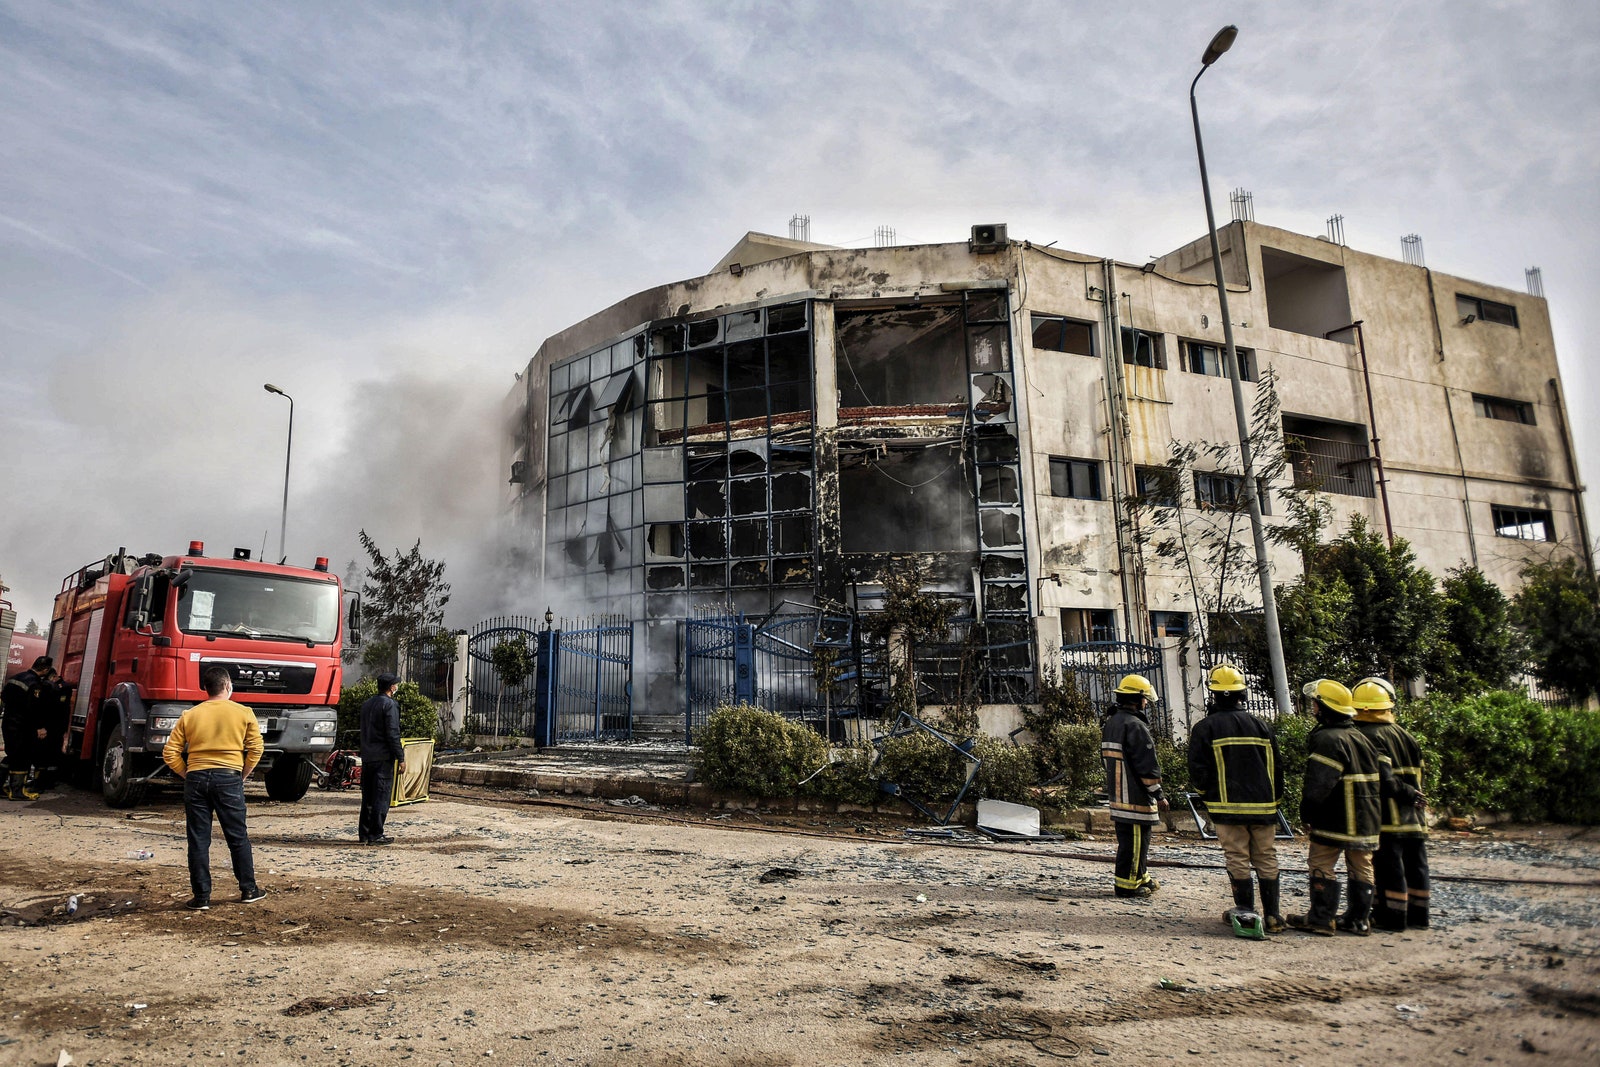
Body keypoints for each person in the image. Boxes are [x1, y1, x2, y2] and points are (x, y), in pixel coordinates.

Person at [1187, 663, 1285, 933]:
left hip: (1227, 808)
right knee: (1266, 856)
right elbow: (1277, 767)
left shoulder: (1205, 728)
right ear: (1243, 693)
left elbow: (1198, 770)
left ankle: (1246, 912)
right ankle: (1274, 916)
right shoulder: (1261, 726)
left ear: (1213, 695)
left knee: (1237, 857)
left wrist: (1209, 797)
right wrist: (1275, 801)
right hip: (1264, 807)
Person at [162, 665, 267, 910]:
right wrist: (243, 774)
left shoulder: (190, 715)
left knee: (198, 839)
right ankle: (249, 889)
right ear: (228, 686)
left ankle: (201, 897)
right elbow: (256, 749)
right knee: (237, 837)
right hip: (229, 778)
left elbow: (170, 752)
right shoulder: (244, 712)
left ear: (205, 689)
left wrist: (187, 772)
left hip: (196, 779)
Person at [1287, 679, 1386, 936]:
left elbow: (1318, 784)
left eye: (1315, 703)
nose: (1313, 707)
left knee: (1321, 862)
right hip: (1367, 818)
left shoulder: (1328, 740)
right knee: (1361, 865)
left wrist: (1307, 813)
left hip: (1336, 817)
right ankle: (1358, 920)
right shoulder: (1361, 738)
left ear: (1324, 707)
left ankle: (1321, 918)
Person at [1351, 677, 1430, 931]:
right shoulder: (1406, 735)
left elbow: (1385, 780)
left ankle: (1393, 918)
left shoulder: (1370, 736)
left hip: (1388, 818)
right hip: (1414, 818)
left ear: (1361, 709)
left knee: (1389, 869)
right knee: (1417, 867)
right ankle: (1419, 916)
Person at [1100, 674, 1168, 898]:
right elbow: (1146, 764)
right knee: (1136, 842)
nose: (1146, 703)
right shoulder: (1135, 726)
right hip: (1135, 797)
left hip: (1118, 794)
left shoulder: (1113, 723)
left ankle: (1141, 875)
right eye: (1144, 699)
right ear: (1136, 699)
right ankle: (1127, 885)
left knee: (1132, 841)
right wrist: (1157, 793)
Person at [358, 673, 407, 845]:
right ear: (391, 687)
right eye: (395, 685)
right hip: (383, 757)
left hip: (368, 756)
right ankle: (375, 834)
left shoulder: (367, 705)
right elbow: (393, 733)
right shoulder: (390, 705)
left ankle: (364, 833)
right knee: (381, 797)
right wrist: (401, 757)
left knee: (368, 797)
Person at [1, 655, 52, 801]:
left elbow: (4, 697)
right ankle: (17, 792)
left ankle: (0, 787)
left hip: (8, 723)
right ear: (46, 669)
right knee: (22, 757)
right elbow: (33, 708)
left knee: (11, 755)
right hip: (22, 726)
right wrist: (40, 727)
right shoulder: (35, 684)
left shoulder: (16, 677)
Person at [30, 668, 73, 791]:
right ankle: (41, 781)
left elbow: (55, 707)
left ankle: (45, 782)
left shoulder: (61, 687)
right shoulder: (53, 687)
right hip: (51, 726)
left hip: (55, 726)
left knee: (50, 755)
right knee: (46, 755)